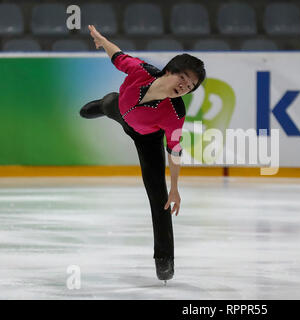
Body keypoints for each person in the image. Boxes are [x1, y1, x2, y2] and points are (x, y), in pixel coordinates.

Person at [80, 25, 206, 283]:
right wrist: (103, 40)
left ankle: (164, 260)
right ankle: (102, 104)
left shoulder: (175, 113)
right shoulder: (140, 71)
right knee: (107, 103)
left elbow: (174, 150)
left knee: (159, 197)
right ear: (169, 70)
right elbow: (117, 55)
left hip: (147, 139)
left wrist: (175, 187)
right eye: (183, 78)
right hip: (121, 108)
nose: (184, 86)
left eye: (190, 86)